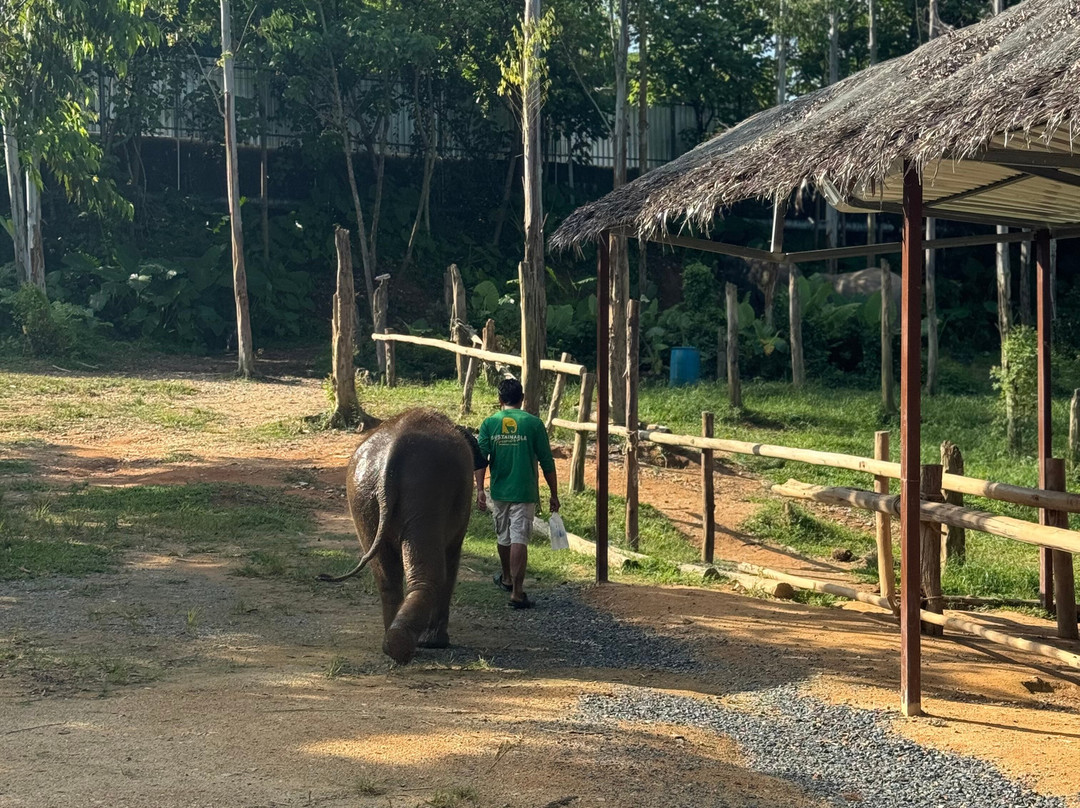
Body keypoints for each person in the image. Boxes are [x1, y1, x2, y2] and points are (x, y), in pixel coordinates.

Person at [477, 378, 559, 609]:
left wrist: (480, 489)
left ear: (500, 400)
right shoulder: (533, 424)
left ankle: (506, 577)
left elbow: (481, 460)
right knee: (519, 538)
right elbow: (547, 462)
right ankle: (517, 591)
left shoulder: (490, 423)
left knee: (503, 537)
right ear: (522, 399)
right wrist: (554, 493)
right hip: (524, 491)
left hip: (500, 490)